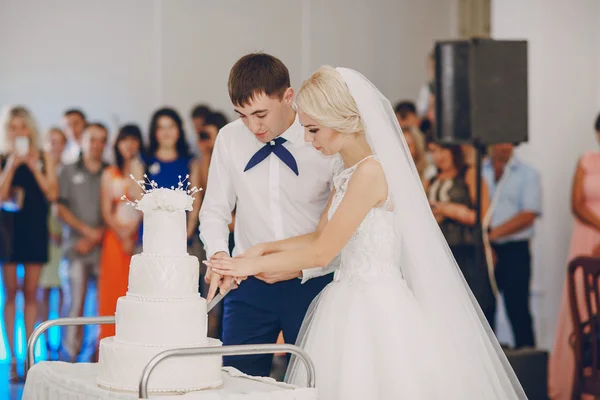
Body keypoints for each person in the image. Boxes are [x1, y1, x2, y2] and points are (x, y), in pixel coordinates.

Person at [207, 66, 526, 399]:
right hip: (346, 298)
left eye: (313, 129)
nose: (308, 139)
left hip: (375, 307)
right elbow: (319, 234)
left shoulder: (370, 173)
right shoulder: (349, 170)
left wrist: (245, 266)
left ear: (341, 120)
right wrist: (261, 249)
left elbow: (322, 253)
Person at [200, 53, 336, 377]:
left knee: (310, 381)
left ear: (288, 97)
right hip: (248, 284)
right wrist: (219, 254)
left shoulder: (322, 138)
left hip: (312, 282)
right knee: (236, 378)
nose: (253, 126)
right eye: (243, 115)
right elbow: (215, 210)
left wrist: (300, 267)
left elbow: (341, 225)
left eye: (260, 114)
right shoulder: (230, 138)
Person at [0, 106, 57, 381]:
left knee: (31, 293)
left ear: (30, 129)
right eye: (13, 127)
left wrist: (34, 167)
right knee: (11, 292)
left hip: (34, 227)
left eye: (23, 127)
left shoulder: (43, 156)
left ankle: (30, 357)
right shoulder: (2, 158)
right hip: (8, 231)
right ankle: (12, 358)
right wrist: (11, 165)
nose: (18, 132)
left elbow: (52, 193)